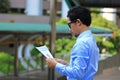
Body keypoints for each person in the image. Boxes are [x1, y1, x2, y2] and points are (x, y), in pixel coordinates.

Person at [46, 6, 100, 80]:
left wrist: (56, 65)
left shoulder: (82, 43)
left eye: (69, 25)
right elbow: (83, 69)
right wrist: (65, 64)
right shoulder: (91, 40)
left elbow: (77, 73)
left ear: (78, 22)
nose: (69, 29)